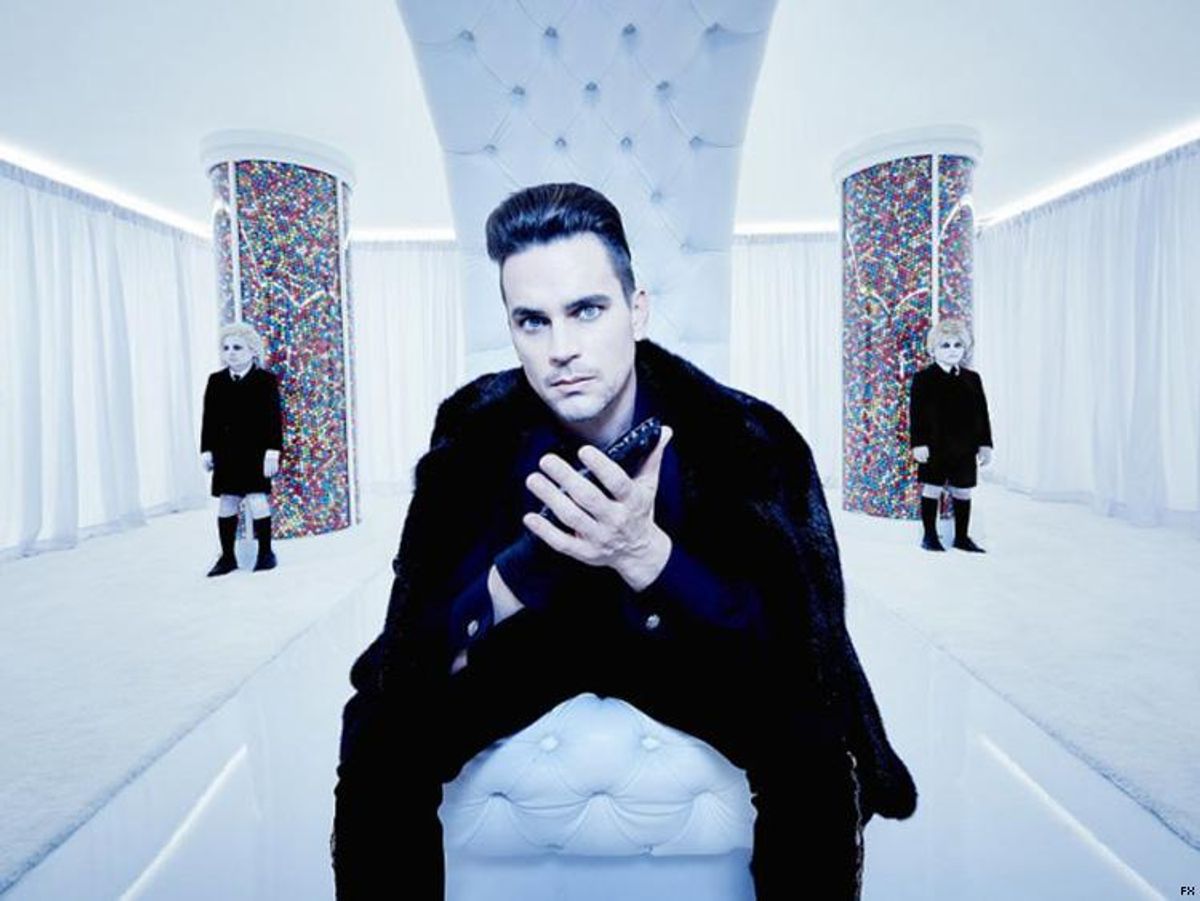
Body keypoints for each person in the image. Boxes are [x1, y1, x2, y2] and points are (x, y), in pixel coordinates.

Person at [332, 183, 916, 899]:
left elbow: (798, 651)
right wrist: (519, 576)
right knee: (379, 729)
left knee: (810, 739)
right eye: (532, 321)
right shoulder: (476, 430)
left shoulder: (743, 439)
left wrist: (644, 553)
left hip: (684, 644)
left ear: (636, 311)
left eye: (586, 310)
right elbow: (411, 644)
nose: (561, 350)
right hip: (536, 641)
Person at [200, 322, 284, 575]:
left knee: (257, 499)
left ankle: (266, 553)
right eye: (226, 348)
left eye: (237, 347)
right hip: (226, 453)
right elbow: (209, 419)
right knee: (227, 501)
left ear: (252, 350)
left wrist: (273, 451)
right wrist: (207, 449)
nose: (231, 353)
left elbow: (273, 419)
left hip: (254, 452)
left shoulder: (265, 381)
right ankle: (227, 557)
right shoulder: (216, 381)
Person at [908, 319, 994, 552]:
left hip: (965, 446)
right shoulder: (924, 379)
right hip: (934, 445)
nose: (952, 350)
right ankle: (929, 536)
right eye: (945, 345)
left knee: (963, 490)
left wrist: (985, 444)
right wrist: (918, 443)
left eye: (957, 345)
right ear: (933, 349)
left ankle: (962, 537)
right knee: (932, 488)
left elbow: (981, 414)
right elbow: (916, 414)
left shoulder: (972, 379)